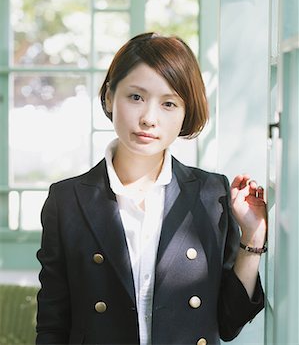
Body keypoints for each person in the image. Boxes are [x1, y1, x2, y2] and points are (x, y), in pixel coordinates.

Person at [36, 32, 267, 345]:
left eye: (169, 103)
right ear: (108, 97)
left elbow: (229, 323)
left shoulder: (212, 194)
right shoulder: (67, 201)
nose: (148, 118)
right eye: (136, 97)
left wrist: (251, 238)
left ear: (185, 113)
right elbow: (52, 325)